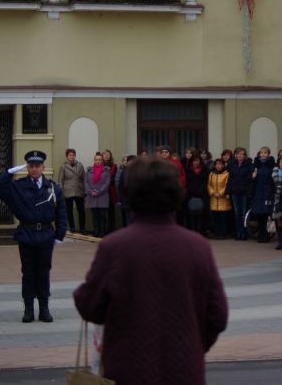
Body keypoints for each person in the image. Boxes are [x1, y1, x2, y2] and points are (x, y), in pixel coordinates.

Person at [73, 156, 228, 384]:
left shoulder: (115, 247)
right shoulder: (198, 247)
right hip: (184, 369)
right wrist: (193, 345)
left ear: (130, 194)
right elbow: (217, 315)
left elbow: (90, 306)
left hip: (128, 368)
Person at [0, 150, 67, 323]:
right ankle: (28, 310)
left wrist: (60, 234)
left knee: (43, 272)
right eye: (31, 166)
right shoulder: (18, 187)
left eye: (37, 166)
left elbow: (61, 213)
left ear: (43, 167)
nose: (34, 169)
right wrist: (9, 172)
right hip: (26, 233)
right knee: (28, 273)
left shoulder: (53, 188)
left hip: (46, 234)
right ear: (27, 168)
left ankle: (44, 309)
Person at [226, 147, 253, 240]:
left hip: (244, 192)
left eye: (242, 154)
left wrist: (251, 177)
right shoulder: (232, 164)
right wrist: (227, 191)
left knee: (243, 212)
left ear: (245, 155)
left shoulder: (249, 165)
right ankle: (238, 232)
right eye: (238, 154)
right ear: (235, 155)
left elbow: (249, 179)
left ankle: (244, 233)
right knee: (237, 212)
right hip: (234, 192)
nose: (240, 156)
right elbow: (229, 179)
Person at [250, 146, 276, 243]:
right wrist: (253, 177)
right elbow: (251, 179)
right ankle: (261, 234)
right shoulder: (256, 165)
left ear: (268, 154)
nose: (263, 154)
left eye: (265, 153)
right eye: (261, 153)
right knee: (258, 214)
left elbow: (273, 180)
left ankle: (265, 234)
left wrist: (271, 191)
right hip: (257, 193)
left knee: (265, 214)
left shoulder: (272, 165)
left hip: (267, 193)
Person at [58, 148, 86, 234]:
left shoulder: (80, 165)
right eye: (70, 155)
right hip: (68, 191)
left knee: (81, 211)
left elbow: (84, 178)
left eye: (73, 155)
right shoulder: (63, 166)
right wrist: (61, 192)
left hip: (79, 190)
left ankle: (82, 228)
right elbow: (60, 180)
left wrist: (85, 190)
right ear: (67, 156)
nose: (72, 156)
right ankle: (72, 228)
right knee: (69, 211)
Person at [85, 152, 110, 238]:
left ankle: (102, 231)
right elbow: (86, 182)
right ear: (94, 161)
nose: (98, 161)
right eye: (96, 160)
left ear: (102, 161)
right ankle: (96, 231)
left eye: (99, 160)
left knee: (102, 216)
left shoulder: (106, 171)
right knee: (95, 215)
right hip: (92, 196)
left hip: (102, 196)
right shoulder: (89, 171)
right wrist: (90, 191)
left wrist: (98, 192)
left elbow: (107, 183)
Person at [207, 158, 231, 239]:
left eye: (220, 164)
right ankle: (217, 233)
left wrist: (220, 193)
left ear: (223, 165)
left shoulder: (226, 173)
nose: (218, 166)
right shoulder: (211, 174)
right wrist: (212, 192)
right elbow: (209, 184)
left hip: (223, 199)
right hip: (214, 198)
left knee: (223, 218)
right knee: (215, 217)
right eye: (217, 164)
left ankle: (223, 233)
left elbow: (227, 185)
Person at [185, 154, 210, 234]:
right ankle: (192, 231)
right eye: (194, 161)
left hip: (202, 194)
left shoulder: (205, 169)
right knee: (191, 213)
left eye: (197, 161)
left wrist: (200, 190)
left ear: (200, 161)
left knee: (202, 214)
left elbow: (206, 181)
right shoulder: (187, 169)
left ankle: (202, 231)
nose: (195, 162)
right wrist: (192, 190)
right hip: (190, 194)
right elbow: (187, 182)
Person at [101, 150, 118, 233]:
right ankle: (103, 229)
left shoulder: (114, 166)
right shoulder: (100, 165)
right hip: (101, 192)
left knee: (111, 212)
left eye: (108, 154)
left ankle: (111, 229)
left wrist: (105, 183)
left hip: (110, 191)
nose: (106, 156)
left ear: (110, 155)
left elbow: (113, 179)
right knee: (103, 212)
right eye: (104, 154)